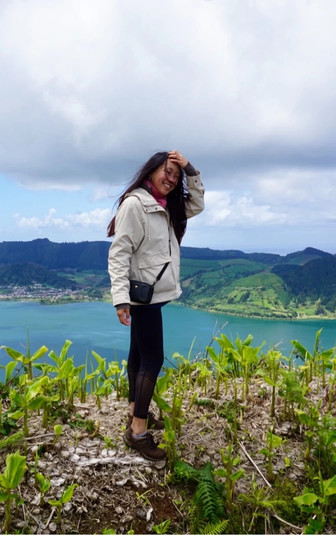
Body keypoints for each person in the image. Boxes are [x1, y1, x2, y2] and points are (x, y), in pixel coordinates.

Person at [107, 150, 205, 461]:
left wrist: (191, 169)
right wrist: (120, 298)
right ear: (150, 171)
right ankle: (138, 431)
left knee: (138, 356)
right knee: (153, 358)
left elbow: (198, 203)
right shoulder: (136, 205)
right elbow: (119, 253)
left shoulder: (166, 207)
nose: (171, 179)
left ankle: (137, 412)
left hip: (153, 294)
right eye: (166, 172)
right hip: (142, 296)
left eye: (176, 176)